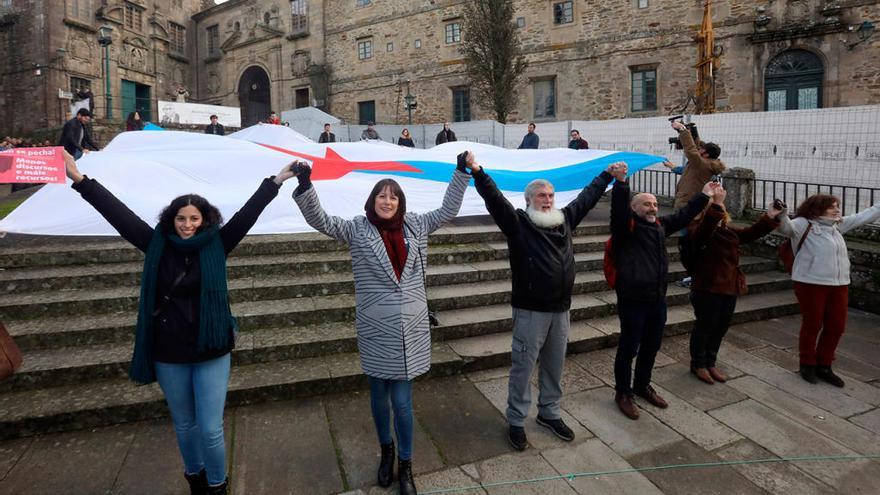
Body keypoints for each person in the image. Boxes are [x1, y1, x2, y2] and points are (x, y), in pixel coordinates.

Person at [61, 149, 295, 494]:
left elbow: (249, 214)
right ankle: (195, 480)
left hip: (212, 348)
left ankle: (218, 485)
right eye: (181, 219)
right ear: (172, 220)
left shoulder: (218, 244)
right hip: (169, 351)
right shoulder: (155, 244)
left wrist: (276, 181)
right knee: (185, 425)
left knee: (211, 428)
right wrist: (80, 180)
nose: (187, 225)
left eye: (194, 219)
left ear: (205, 220)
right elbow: (118, 215)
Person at [292, 152, 473, 495]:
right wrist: (305, 184)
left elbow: (448, 210)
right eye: (381, 195)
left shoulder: (416, 225)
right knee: (378, 396)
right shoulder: (357, 229)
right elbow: (322, 220)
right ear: (372, 200)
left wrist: (461, 172)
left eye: (393, 196)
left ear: (400, 201)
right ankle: (385, 450)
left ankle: (405, 464)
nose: (387, 201)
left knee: (402, 402)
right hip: (376, 328)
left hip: (410, 328)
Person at [472, 153, 621, 451]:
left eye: (551, 195)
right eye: (541, 195)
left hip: (561, 309)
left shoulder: (564, 221)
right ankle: (516, 419)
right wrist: (478, 172)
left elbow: (587, 198)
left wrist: (606, 175)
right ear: (529, 200)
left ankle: (549, 413)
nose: (548, 199)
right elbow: (494, 199)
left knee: (554, 365)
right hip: (530, 311)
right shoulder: (518, 223)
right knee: (523, 368)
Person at [609, 173, 715, 420]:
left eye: (655, 204)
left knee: (652, 346)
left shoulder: (659, 227)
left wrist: (705, 194)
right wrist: (621, 184)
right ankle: (623, 392)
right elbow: (618, 211)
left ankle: (642, 385)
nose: (653, 207)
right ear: (634, 209)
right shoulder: (627, 229)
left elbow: (684, 215)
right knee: (628, 347)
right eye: (647, 203)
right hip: (633, 300)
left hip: (657, 300)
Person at [778, 195, 880, 387]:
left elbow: (866, 215)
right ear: (817, 209)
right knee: (813, 324)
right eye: (832, 207)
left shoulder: (836, 226)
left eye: (837, 207)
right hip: (810, 283)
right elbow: (785, 229)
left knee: (836, 326)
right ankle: (807, 364)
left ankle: (824, 365)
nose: (837, 210)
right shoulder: (802, 224)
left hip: (839, 284)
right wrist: (782, 214)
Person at [686, 187, 783, 384]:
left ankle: (710, 361)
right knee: (705, 326)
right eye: (716, 209)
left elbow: (749, 234)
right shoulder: (696, 229)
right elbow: (704, 231)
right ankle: (698, 363)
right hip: (707, 287)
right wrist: (715, 203)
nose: (721, 211)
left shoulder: (726, 230)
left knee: (721, 326)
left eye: (722, 208)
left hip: (729, 286)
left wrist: (770, 216)